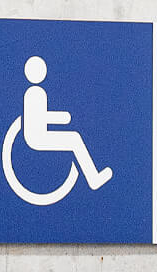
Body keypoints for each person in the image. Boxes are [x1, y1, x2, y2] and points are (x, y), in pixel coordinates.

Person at [20, 56, 112, 190]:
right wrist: (63, 117)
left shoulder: (35, 92)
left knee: (74, 138)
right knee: (74, 139)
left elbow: (41, 118)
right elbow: (38, 119)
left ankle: (93, 177)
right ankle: (93, 178)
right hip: (37, 138)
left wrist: (62, 118)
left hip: (39, 134)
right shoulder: (35, 93)